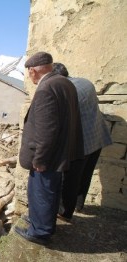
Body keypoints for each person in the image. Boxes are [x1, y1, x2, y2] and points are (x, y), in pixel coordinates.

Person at [15, 52, 84, 245]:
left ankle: (40, 232)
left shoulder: (46, 88)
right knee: (49, 191)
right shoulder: (65, 83)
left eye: (30, 72)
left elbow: (47, 129)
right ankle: (41, 221)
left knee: (42, 192)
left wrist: (40, 159)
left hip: (48, 155)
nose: (30, 76)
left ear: (33, 71)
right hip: (59, 151)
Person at [53, 62, 112, 220]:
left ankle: (64, 213)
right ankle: (78, 205)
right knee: (85, 175)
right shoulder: (85, 83)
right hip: (97, 136)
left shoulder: (67, 92)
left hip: (81, 143)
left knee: (70, 179)